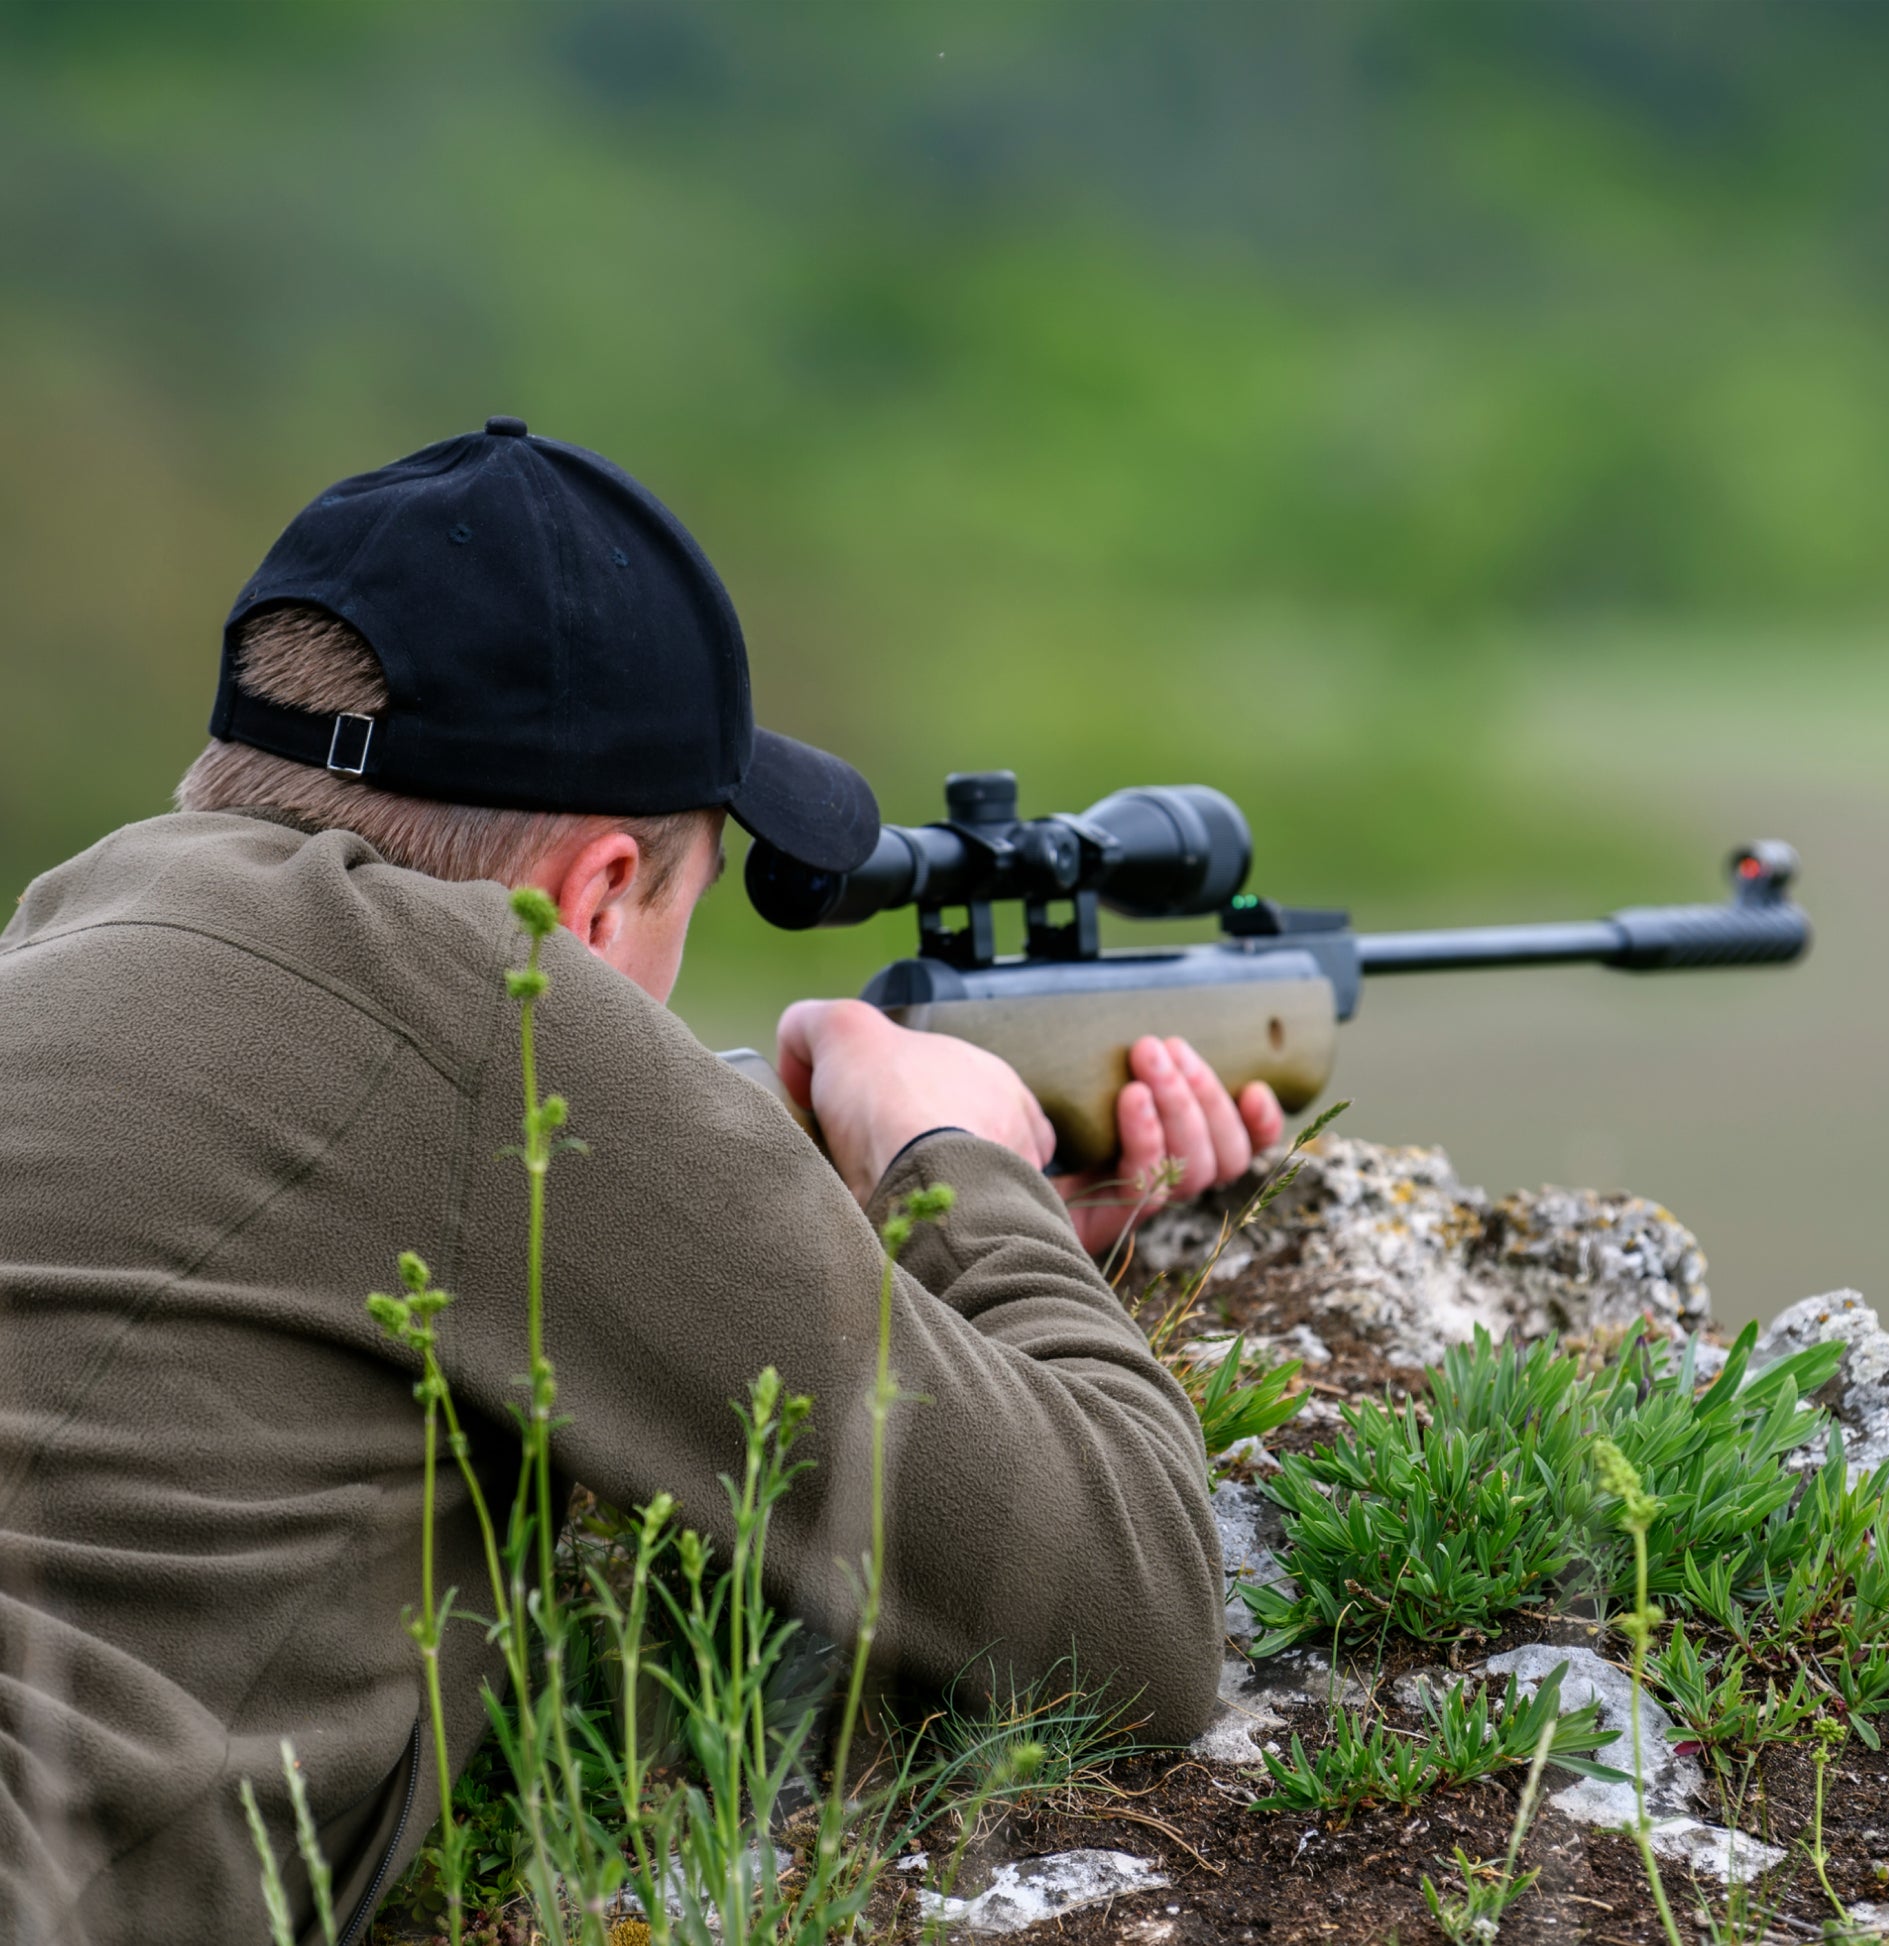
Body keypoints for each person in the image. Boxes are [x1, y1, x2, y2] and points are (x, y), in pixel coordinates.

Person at [0, 418, 1285, 1945]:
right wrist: (968, 1172)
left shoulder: (63, 926)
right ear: (596, 895)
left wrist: (867, 1251)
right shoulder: (496, 1005)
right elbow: (1131, 1609)